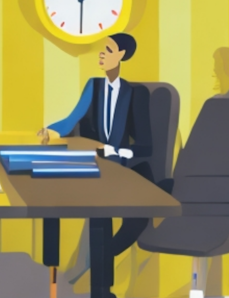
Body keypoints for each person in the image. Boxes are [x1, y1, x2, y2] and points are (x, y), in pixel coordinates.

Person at [37, 33, 155, 298]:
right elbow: (73, 117)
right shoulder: (94, 86)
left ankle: (98, 281)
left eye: (108, 49)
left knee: (107, 213)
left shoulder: (136, 95)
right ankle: (65, 280)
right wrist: (51, 131)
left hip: (125, 170)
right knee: (55, 191)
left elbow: (146, 147)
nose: (101, 54)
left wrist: (110, 149)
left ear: (122, 55)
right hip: (97, 169)